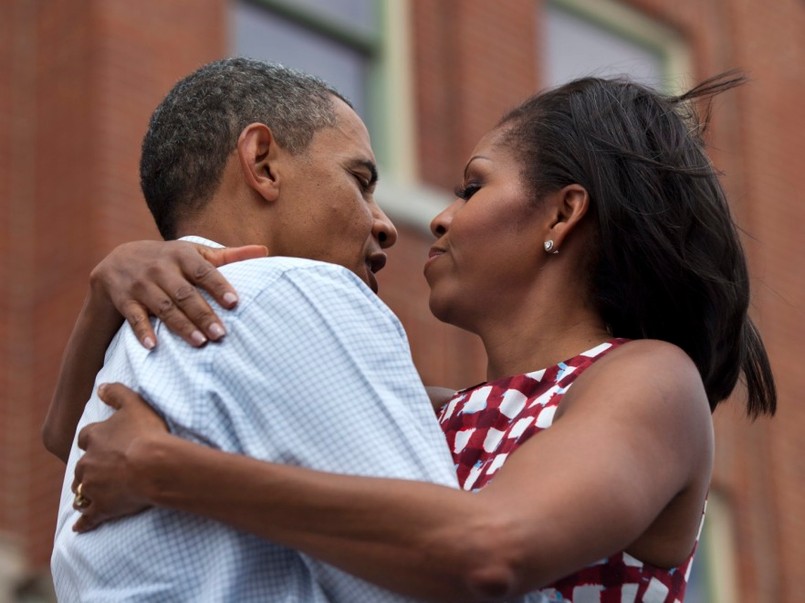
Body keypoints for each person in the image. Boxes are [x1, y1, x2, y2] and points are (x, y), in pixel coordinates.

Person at [51, 71, 776, 602]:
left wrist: (168, 471)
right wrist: (111, 283)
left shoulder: (650, 380)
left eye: (471, 187)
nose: (432, 218)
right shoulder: (442, 414)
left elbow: (490, 547)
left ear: (562, 215)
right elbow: (73, 437)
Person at [45, 57, 462, 602]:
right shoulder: (300, 288)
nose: (384, 224)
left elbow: (59, 437)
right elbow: (445, 574)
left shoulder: (130, 347)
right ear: (262, 163)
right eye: (359, 181)